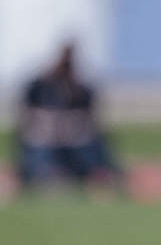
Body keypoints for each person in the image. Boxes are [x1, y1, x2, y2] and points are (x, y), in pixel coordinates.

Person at [14, 42, 124, 195]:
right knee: (37, 159)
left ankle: (101, 178)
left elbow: (91, 122)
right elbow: (27, 119)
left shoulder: (81, 90)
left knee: (94, 151)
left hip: (76, 142)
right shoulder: (39, 88)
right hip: (45, 141)